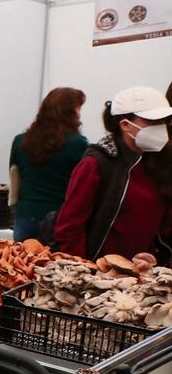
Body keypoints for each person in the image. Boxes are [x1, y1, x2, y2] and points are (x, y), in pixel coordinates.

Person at [55, 87, 172, 261]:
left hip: (147, 270)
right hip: (100, 270)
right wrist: (84, 269)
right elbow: (69, 226)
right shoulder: (97, 163)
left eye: (164, 121)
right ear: (125, 125)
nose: (160, 128)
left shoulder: (161, 162)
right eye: (152, 121)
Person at [9, 88, 88, 241]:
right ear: (69, 112)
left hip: (24, 216)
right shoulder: (78, 144)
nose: (80, 114)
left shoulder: (19, 141)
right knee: (54, 258)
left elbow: (14, 179)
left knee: (21, 256)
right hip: (57, 219)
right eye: (78, 109)